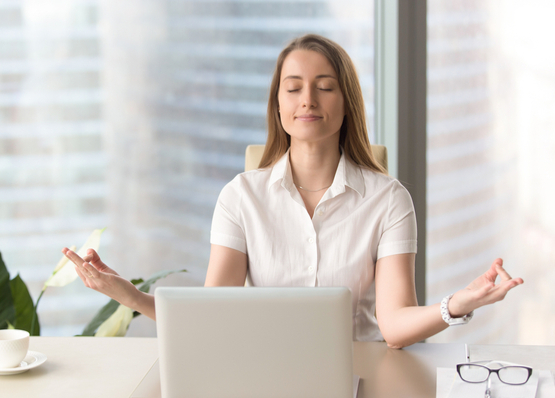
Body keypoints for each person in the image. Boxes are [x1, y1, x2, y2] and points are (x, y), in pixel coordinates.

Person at [62, 34, 523, 348]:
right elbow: (212, 315)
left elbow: (395, 325)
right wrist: (131, 296)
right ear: (278, 105)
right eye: (293, 88)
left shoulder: (389, 200)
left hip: (362, 370)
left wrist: (454, 306)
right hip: (266, 371)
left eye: (325, 87)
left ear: (346, 105)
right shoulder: (240, 197)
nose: (308, 100)